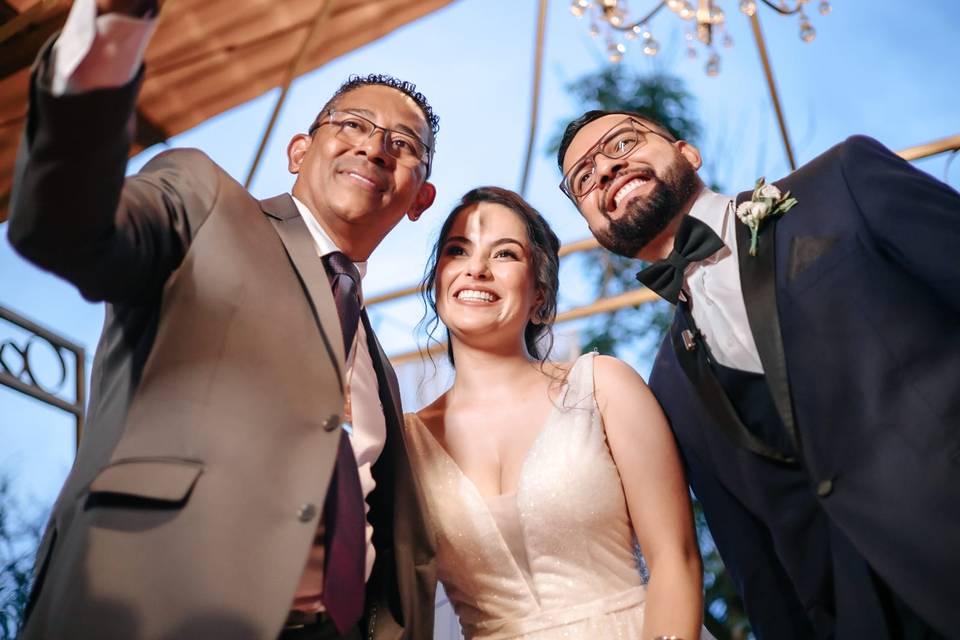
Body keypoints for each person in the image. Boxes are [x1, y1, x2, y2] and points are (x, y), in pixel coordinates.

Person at [7, 0, 440, 638]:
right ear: (299, 150)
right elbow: (66, 225)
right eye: (352, 123)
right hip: (153, 603)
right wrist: (110, 36)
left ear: (419, 198)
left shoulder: (378, 361)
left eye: (404, 145)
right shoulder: (202, 199)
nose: (375, 147)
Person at [556, 110, 960, 639]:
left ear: (687, 152)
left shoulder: (841, 183)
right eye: (584, 178)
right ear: (593, 226)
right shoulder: (666, 385)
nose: (605, 171)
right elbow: (757, 566)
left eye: (622, 143)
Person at [403, 186, 713, 640]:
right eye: (457, 250)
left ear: (541, 294)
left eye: (504, 254)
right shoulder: (406, 443)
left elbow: (676, 558)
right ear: (438, 281)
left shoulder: (602, 386)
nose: (476, 269)